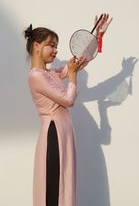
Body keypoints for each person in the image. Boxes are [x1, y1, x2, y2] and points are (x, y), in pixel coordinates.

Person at [24, 14, 112, 206]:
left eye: (56, 46)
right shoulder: (36, 76)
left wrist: (97, 36)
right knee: (54, 186)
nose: (55, 50)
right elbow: (68, 99)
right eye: (51, 45)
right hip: (54, 133)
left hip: (63, 132)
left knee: (64, 184)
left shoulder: (49, 73)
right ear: (36, 46)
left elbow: (78, 63)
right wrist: (72, 76)